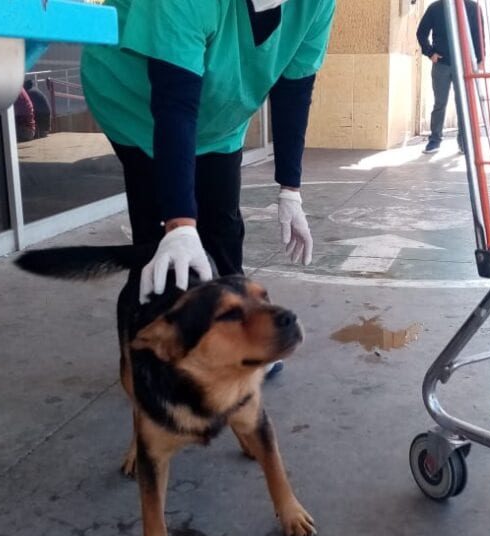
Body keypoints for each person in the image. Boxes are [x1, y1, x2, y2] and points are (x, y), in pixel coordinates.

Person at [80, 0, 335, 307]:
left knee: (223, 234)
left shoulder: (318, 4)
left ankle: (240, 344)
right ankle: (146, 344)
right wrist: (180, 225)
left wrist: (290, 189)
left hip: (220, 119)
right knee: (161, 247)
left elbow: (294, 89)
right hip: (137, 106)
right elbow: (175, 106)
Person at [417, 0, 484, 154]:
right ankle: (434, 141)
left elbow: (479, 35)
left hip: (465, 64)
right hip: (441, 63)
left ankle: (464, 142)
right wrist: (430, 52)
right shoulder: (435, 7)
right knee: (440, 103)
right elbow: (421, 32)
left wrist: (480, 60)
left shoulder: (473, 7)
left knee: (464, 105)